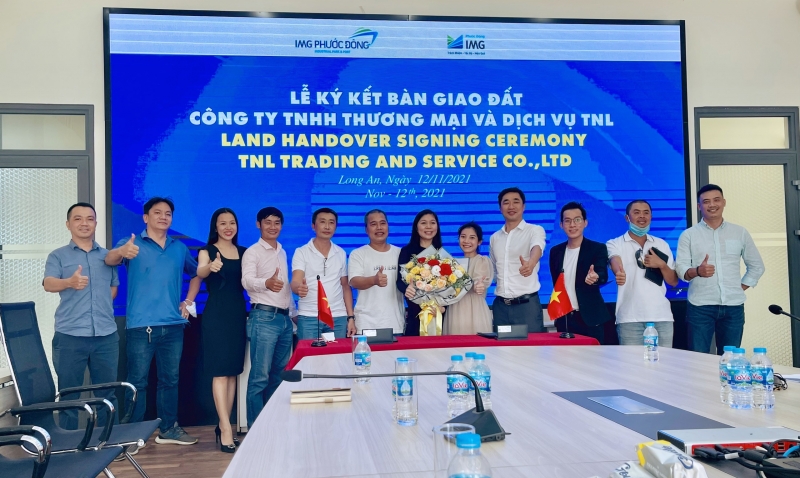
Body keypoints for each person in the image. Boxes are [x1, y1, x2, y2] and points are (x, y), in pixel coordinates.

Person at [105, 197, 199, 445]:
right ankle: (132, 435)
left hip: (173, 326)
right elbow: (110, 259)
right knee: (137, 382)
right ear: (146, 217)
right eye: (157, 212)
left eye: (168, 213)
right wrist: (121, 252)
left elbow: (197, 273)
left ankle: (168, 429)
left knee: (170, 381)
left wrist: (188, 301)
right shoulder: (131, 243)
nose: (163, 217)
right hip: (140, 326)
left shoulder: (179, 248)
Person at [43, 202, 120, 430]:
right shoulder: (58, 256)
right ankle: (68, 444)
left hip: (106, 336)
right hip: (70, 336)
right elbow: (48, 283)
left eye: (89, 218)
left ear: (96, 223)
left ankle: (108, 443)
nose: (84, 223)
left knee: (107, 395)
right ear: (68, 224)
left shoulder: (107, 256)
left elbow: (113, 287)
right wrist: (69, 282)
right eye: (78, 219)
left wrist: (99, 305)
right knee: (69, 396)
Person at [675, 184, 765, 354]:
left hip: (733, 306)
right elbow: (681, 269)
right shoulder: (689, 235)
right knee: (697, 359)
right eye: (706, 201)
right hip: (700, 306)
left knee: (730, 359)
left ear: (724, 202)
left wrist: (739, 287)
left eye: (716, 200)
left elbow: (757, 266)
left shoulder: (740, 232)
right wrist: (698, 271)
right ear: (699, 206)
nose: (712, 205)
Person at [186, 208, 247, 453]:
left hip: (237, 314)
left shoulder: (244, 252)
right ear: (215, 227)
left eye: (232, 222)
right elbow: (199, 272)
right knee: (220, 373)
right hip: (216, 315)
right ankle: (225, 428)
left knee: (232, 373)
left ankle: (225, 425)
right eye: (223, 223)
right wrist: (210, 266)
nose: (228, 227)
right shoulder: (207, 251)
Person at [240, 207, 294, 429]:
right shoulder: (253, 252)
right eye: (268, 222)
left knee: (279, 377)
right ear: (258, 224)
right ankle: (256, 430)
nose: (273, 227)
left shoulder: (282, 251)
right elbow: (246, 281)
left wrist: (293, 314)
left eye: (277, 222)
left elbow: (285, 287)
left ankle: (274, 426)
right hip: (263, 318)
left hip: (284, 320)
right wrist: (266, 283)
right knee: (259, 378)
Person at [607, 200, 678, 346]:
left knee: (664, 360)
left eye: (646, 213)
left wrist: (661, 264)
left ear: (651, 217)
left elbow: (673, 281)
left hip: (661, 317)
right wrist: (619, 272)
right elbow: (614, 259)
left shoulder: (661, 244)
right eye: (636, 212)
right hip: (630, 318)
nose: (642, 216)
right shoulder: (614, 243)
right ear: (627, 218)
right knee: (631, 361)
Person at [548, 202, 612, 344]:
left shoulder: (597, 248)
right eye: (567, 221)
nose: (572, 225)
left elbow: (602, 274)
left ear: (585, 223)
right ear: (561, 225)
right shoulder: (555, 252)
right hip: (565, 318)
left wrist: (595, 277)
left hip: (591, 319)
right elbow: (556, 283)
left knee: (594, 357)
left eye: (577, 220)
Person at [291, 207, 355, 340]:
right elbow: (296, 281)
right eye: (322, 222)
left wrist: (350, 317)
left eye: (331, 222)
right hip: (309, 316)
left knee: (336, 353)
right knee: (309, 353)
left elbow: (345, 286)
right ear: (313, 226)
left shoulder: (341, 253)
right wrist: (298, 289)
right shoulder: (301, 252)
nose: (327, 226)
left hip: (337, 317)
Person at [489, 187, 547, 333]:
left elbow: (537, 247)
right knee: (502, 347)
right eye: (506, 202)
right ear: (500, 208)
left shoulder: (535, 230)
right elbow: (494, 270)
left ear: (523, 206)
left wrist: (531, 263)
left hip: (526, 307)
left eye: (516, 201)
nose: (511, 206)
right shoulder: (494, 238)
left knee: (531, 347)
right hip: (501, 308)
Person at [348, 209, 405, 335]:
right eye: (373, 224)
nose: (379, 228)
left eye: (383, 223)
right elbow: (354, 281)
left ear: (388, 226)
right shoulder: (358, 254)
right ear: (366, 229)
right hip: (366, 324)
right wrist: (373, 280)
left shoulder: (400, 253)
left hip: (395, 324)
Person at [396, 209, 452, 336]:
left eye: (432, 223)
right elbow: (399, 281)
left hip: (437, 313)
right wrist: (407, 289)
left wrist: (443, 308)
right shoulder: (406, 252)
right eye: (423, 223)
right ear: (416, 227)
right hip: (415, 313)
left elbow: (451, 287)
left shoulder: (443, 255)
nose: (428, 226)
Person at [444, 222, 493, 335]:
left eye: (472, 237)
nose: (466, 241)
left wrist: (478, 286)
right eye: (463, 237)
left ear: (479, 241)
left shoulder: (482, 260)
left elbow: (479, 281)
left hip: (475, 309)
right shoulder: (452, 263)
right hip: (455, 309)